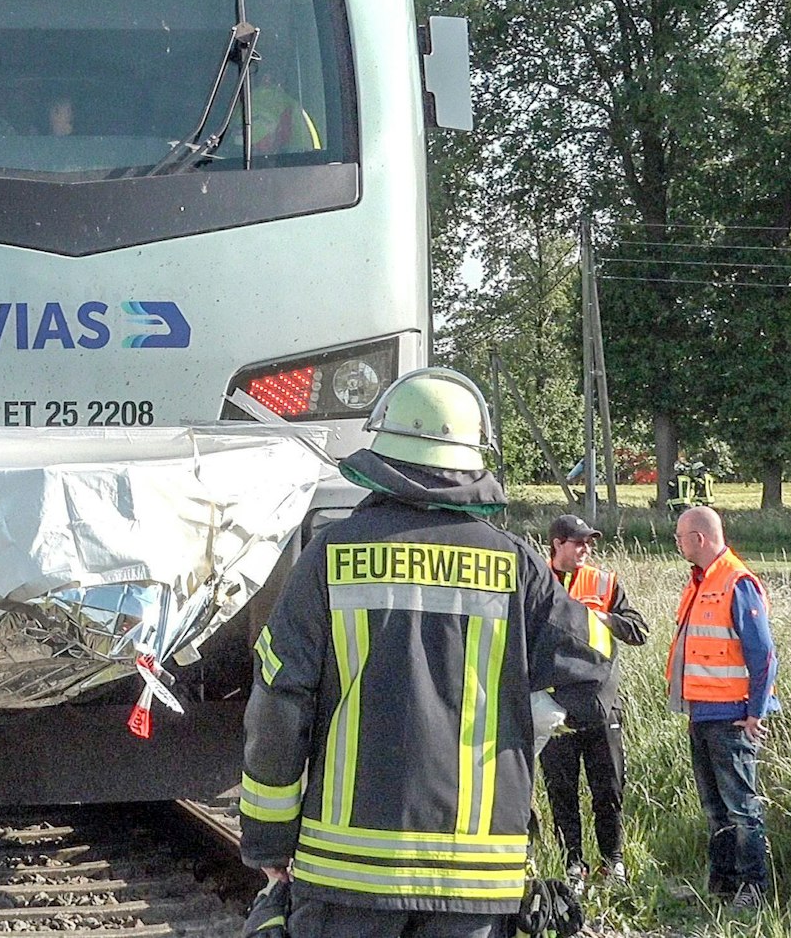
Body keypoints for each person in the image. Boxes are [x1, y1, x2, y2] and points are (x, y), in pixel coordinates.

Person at [239, 367, 614, 938]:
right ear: (473, 458)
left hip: (346, 872)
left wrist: (268, 839)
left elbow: (278, 703)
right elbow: (594, 657)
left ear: (383, 449)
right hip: (477, 880)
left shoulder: (328, 556)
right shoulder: (516, 564)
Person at [667, 506, 777, 909]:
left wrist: (755, 712)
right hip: (702, 713)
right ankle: (722, 887)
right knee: (715, 810)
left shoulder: (736, 582)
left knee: (742, 809)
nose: (677, 543)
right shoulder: (700, 582)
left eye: (680, 536)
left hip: (731, 717)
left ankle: (753, 891)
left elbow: (764, 654)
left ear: (699, 538)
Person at [541, 514, 649, 885]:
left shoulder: (604, 582)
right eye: (578, 542)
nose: (586, 549)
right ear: (557, 544)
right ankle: (573, 863)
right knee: (561, 789)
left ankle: (613, 862)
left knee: (608, 787)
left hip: (602, 702)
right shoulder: (535, 581)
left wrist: (601, 618)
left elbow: (638, 630)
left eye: (589, 543)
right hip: (554, 705)